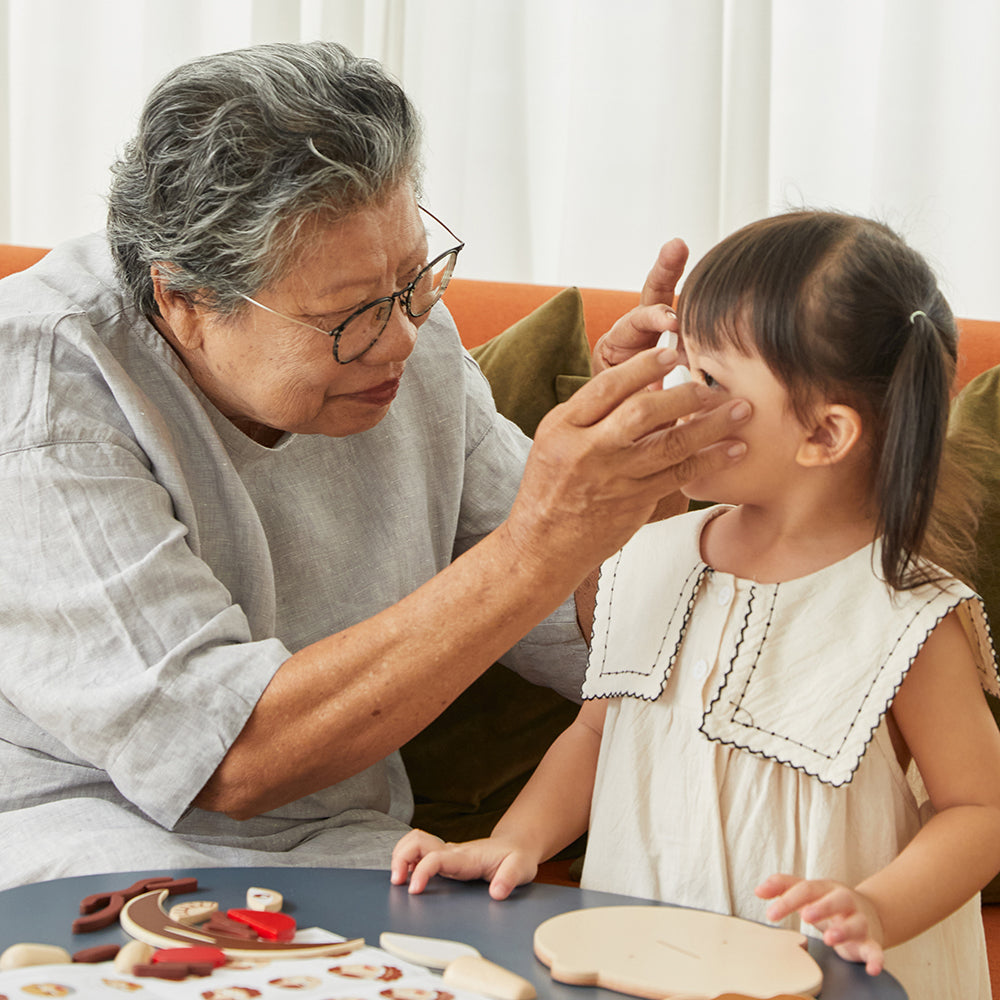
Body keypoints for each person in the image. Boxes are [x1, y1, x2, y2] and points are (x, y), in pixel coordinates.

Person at [0, 41, 750, 889]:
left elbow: (604, 652)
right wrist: (541, 540)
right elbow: (224, 758)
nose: (400, 339)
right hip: (81, 840)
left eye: (413, 278)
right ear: (185, 300)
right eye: (351, 313)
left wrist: (643, 479)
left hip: (351, 845)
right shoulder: (41, 385)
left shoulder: (411, 343)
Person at [391, 211, 1000, 1000]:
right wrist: (515, 841)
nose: (674, 399)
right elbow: (598, 731)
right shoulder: (654, 554)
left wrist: (878, 908)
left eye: (709, 381)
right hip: (643, 961)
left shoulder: (904, 617)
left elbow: (980, 808)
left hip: (820, 979)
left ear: (824, 435)